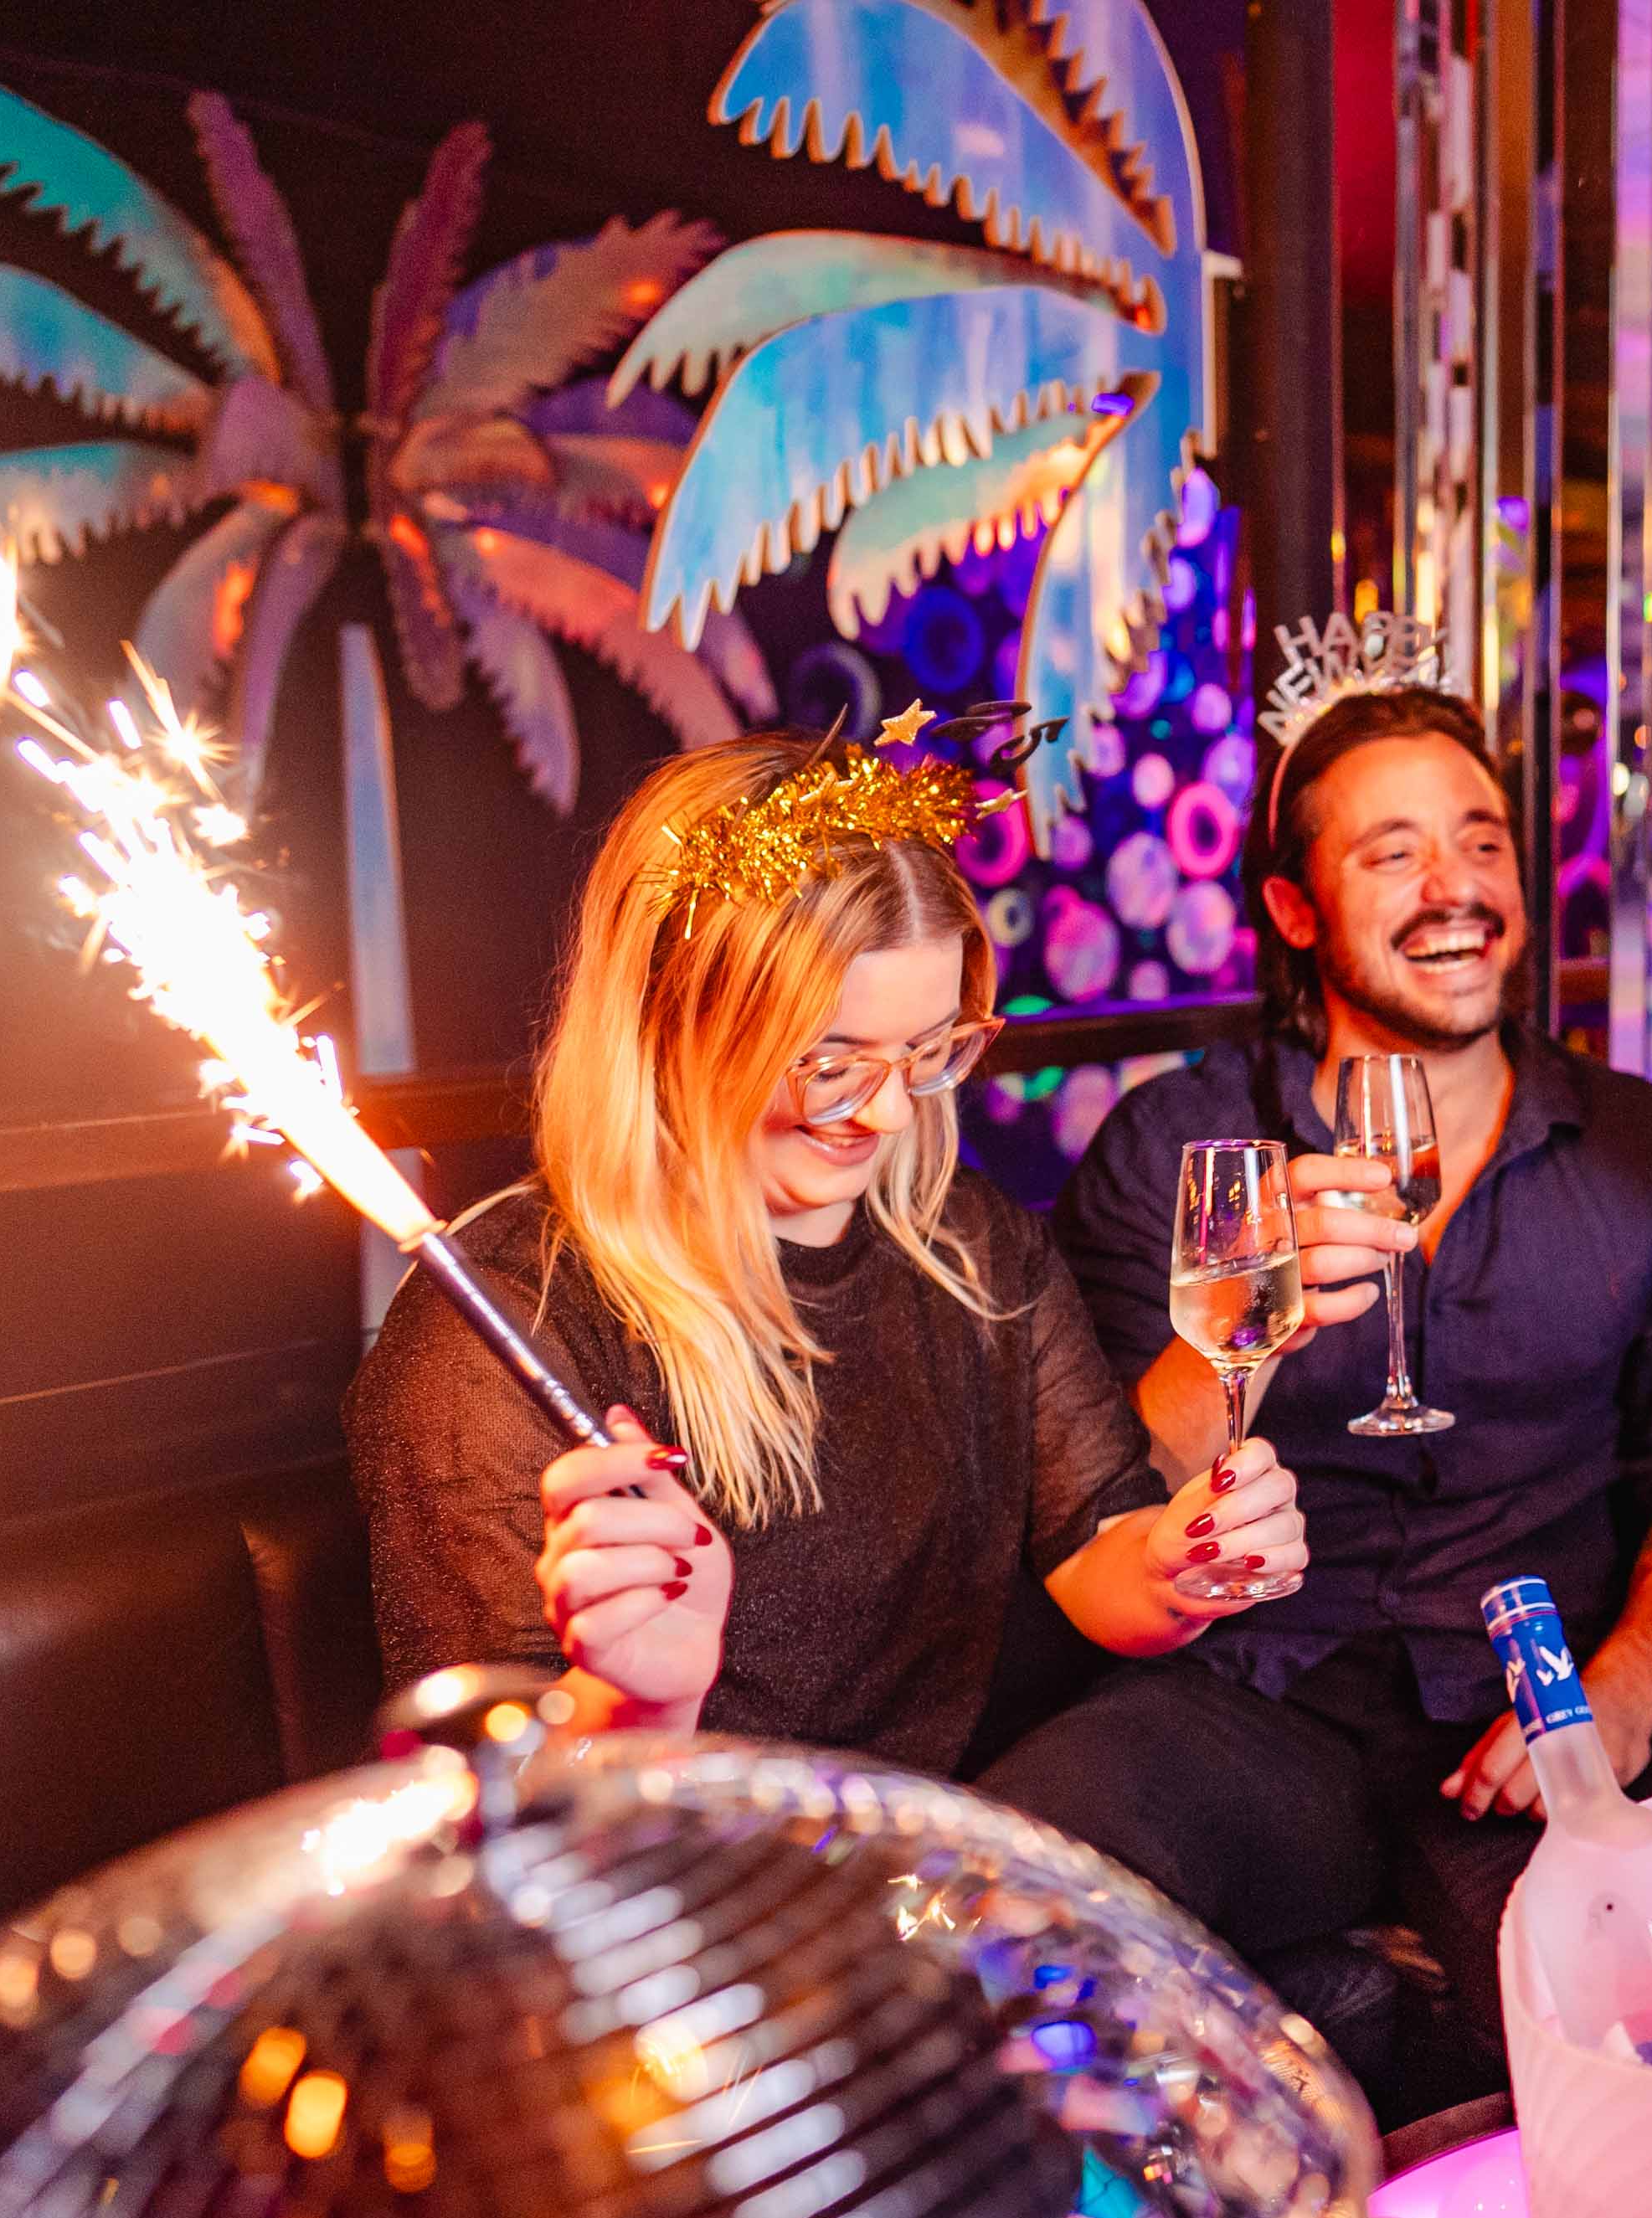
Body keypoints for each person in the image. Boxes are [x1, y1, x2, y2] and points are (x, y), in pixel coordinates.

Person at [1043, 651, 1652, 2092]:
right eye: (1395, 852)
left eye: (1482, 841)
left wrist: (1623, 1689)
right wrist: (1242, 1334)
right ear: (1296, 909)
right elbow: (1095, 1497)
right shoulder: (1172, 1147)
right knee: (1037, 1879)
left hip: (1534, 1704)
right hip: (1253, 1698)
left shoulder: (1641, 1148)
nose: (1456, 885)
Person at [351, 727, 1307, 1784]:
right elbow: (512, 1813)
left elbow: (1096, 1549)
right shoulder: (495, 1332)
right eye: (830, 1061)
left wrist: (1180, 1573)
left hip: (953, 1841)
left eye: (929, 1049)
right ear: (668, 1024)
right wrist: (639, 1706)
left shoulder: (966, 1243)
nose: (891, 1111)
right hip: (707, 1884)